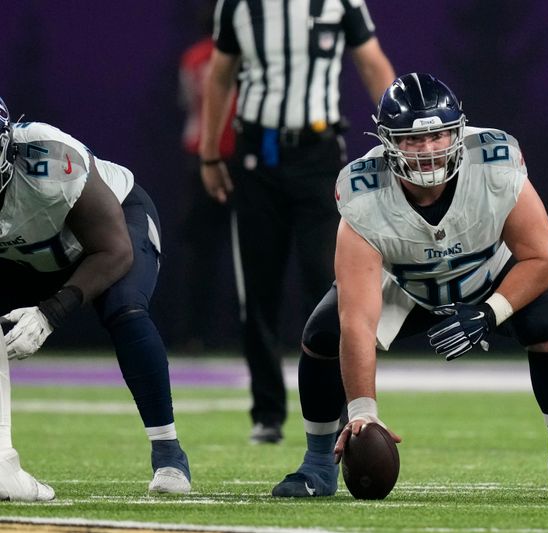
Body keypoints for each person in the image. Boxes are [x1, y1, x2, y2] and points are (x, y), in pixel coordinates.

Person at [270, 73, 548, 501]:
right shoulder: (363, 190)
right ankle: (317, 464)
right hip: (406, 284)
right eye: (411, 140)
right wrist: (362, 412)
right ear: (388, 141)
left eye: (440, 136)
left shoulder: (495, 162)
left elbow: (544, 258)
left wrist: (490, 312)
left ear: (458, 133)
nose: (427, 151)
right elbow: (357, 320)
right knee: (322, 334)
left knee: (545, 321)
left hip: (487, 274)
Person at [199, 0, 396, 444]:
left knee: (334, 290)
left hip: (320, 154)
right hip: (257, 155)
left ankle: (350, 407)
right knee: (259, 291)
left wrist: (398, 138)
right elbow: (221, 75)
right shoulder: (238, 5)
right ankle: (267, 412)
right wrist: (210, 153)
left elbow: (371, 63)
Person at [0, 97, 191, 499]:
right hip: (29, 255)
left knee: (125, 309)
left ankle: (169, 453)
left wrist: (50, 313)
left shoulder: (48, 158)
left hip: (110, 233)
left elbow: (116, 251)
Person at [177, 20, 237, 352]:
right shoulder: (236, 55)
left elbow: (187, 103)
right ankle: (198, 333)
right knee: (210, 253)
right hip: (227, 158)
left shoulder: (194, 56)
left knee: (205, 253)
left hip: (208, 157)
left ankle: (195, 334)